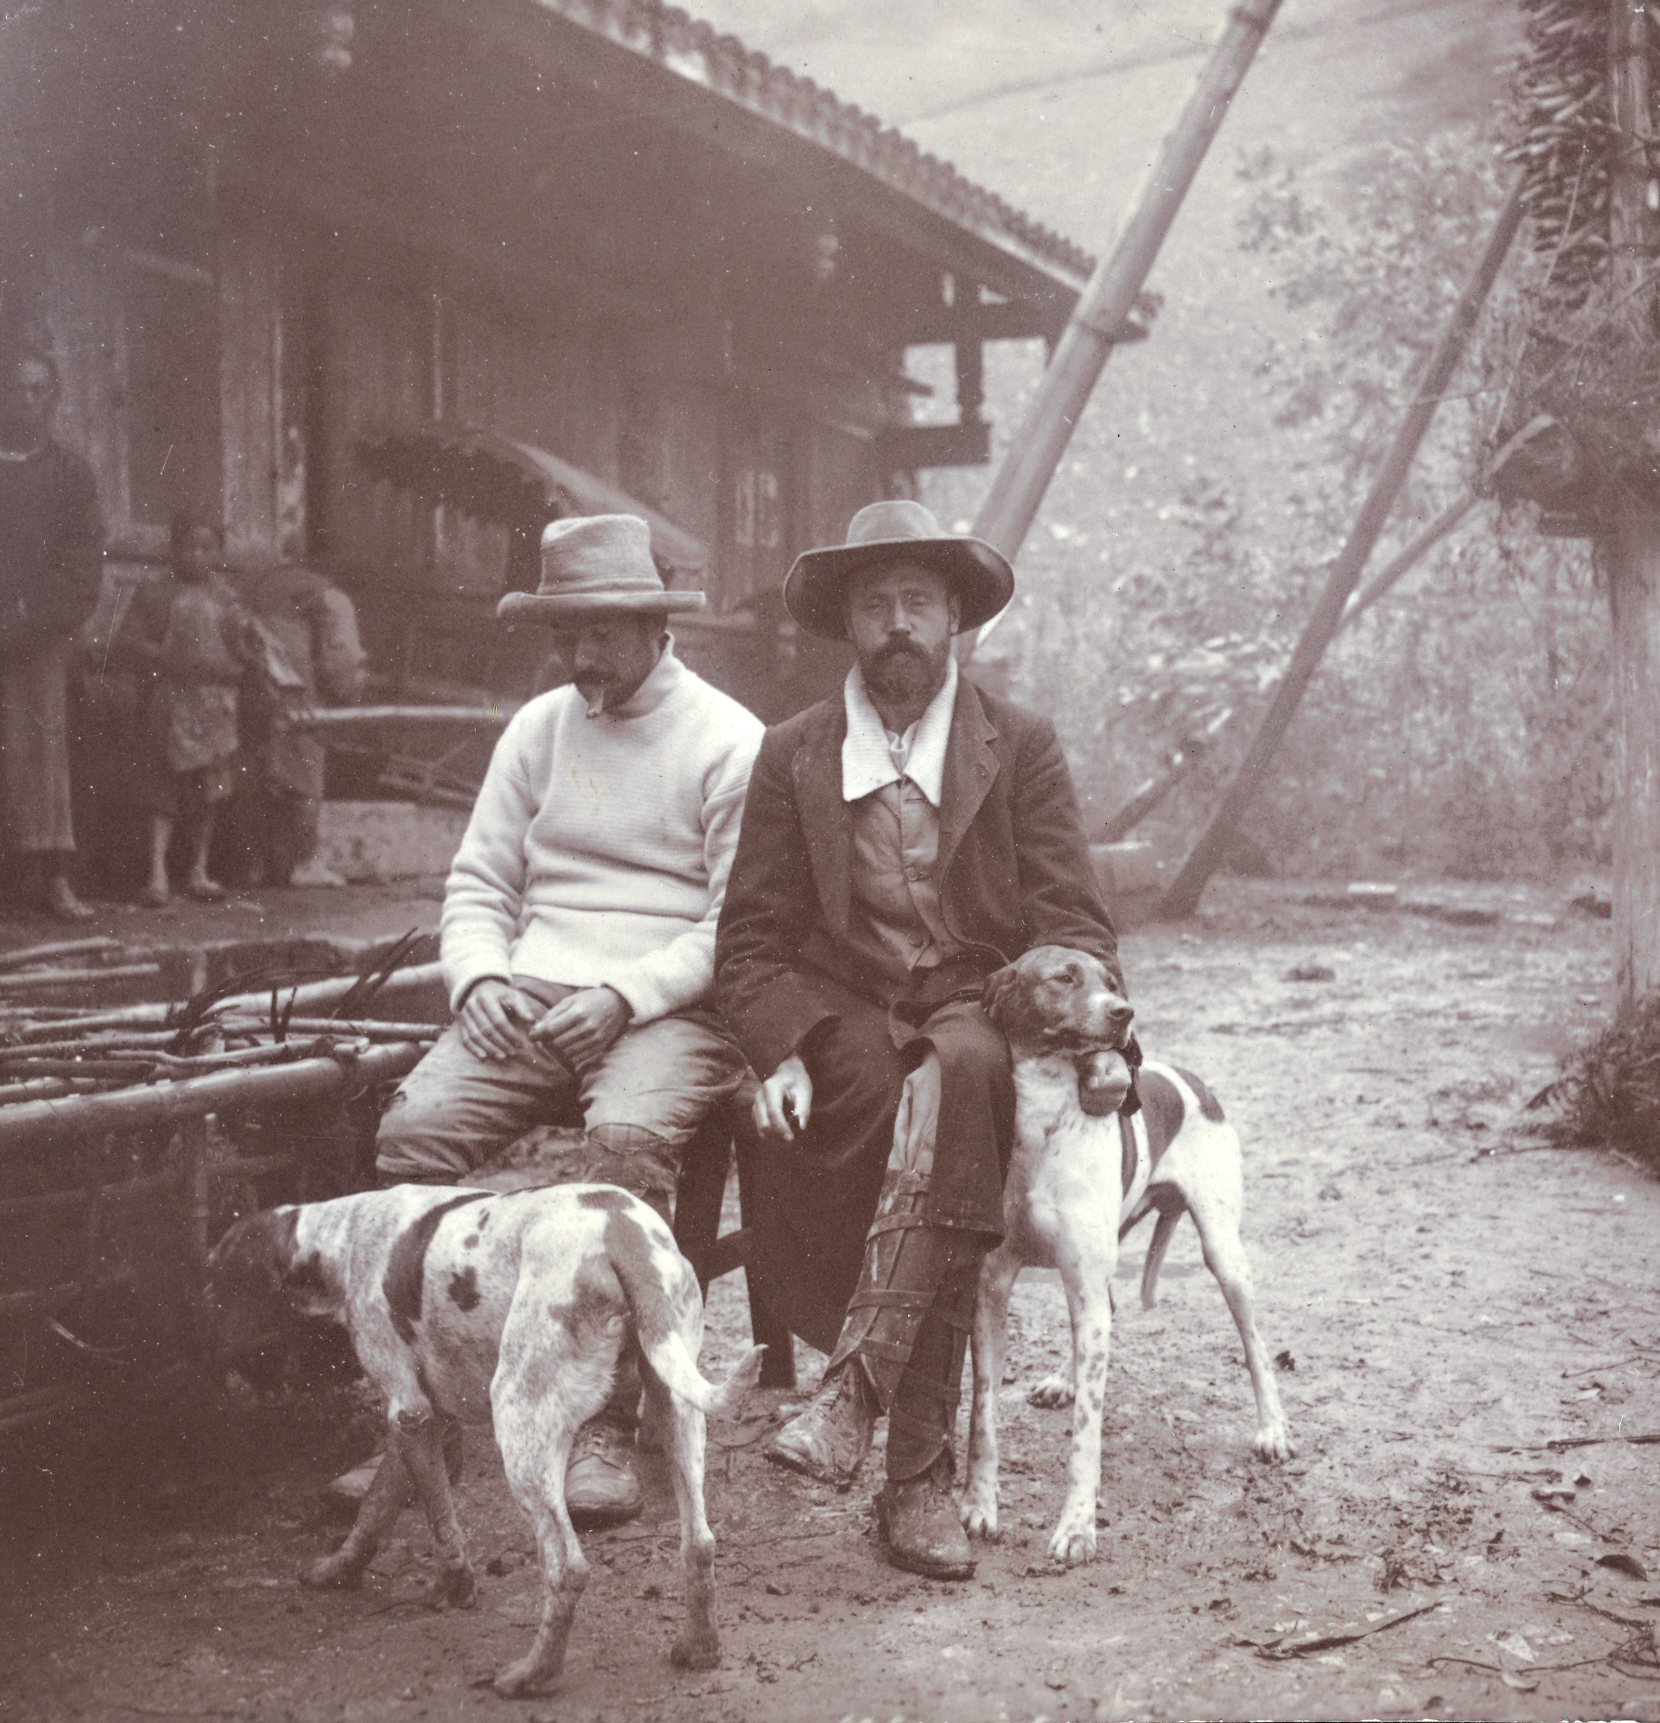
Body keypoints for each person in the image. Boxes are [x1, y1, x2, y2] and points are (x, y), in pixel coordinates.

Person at [714, 499, 1125, 1581]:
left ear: (954, 618)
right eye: (874, 606)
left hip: (975, 998)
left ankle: (899, 1450)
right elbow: (750, 938)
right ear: (847, 624)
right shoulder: (793, 753)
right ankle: (908, 1460)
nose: (897, 625)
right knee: (888, 1101)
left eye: (916, 603)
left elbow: (1072, 918)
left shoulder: (1017, 743)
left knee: (966, 1073)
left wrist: (1090, 1031)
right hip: (842, 1000)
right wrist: (780, 1046)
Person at [349, 513, 764, 1526]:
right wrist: (479, 978)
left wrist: (624, 995)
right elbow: (480, 880)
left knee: (622, 1146)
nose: (580, 656)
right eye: (563, 633)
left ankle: (609, 1425)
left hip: (670, 1004)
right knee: (410, 1137)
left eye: (600, 633)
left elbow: (738, 923)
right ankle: (420, 1424)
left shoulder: (728, 738)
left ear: (653, 622)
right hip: (531, 994)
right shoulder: (538, 726)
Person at [0, 351, 106, 919]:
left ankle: (53, 877)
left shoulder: (69, 473)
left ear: (54, 399)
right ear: (0, 396)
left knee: (40, 754)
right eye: (18, 389)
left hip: (36, 634)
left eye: (39, 391)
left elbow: (83, 560)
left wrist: (30, 615)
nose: (28, 401)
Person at [126, 516, 263, 906]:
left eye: (206, 547)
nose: (196, 555)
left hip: (217, 704)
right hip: (170, 698)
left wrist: (242, 659)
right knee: (163, 789)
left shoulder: (228, 598)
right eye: (188, 546)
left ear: (217, 552)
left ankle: (198, 871)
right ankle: (157, 875)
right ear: (174, 549)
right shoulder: (154, 592)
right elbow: (131, 643)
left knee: (211, 790)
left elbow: (247, 649)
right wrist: (170, 659)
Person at [229, 560, 367, 887]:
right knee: (305, 771)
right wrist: (349, 691)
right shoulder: (334, 599)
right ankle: (304, 863)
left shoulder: (249, 583)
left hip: (249, 683)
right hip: (293, 681)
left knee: (256, 770)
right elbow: (342, 659)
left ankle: (254, 864)